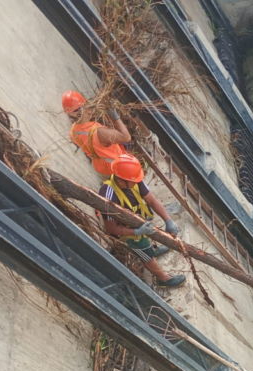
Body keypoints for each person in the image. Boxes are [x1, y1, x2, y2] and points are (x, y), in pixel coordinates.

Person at [98, 154, 187, 288]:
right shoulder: (108, 195)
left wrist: (168, 220)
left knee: (146, 240)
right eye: (134, 181)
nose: (138, 182)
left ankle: (151, 250)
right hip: (126, 235)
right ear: (121, 181)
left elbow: (152, 201)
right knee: (145, 254)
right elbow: (111, 228)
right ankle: (163, 279)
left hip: (138, 223)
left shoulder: (133, 181)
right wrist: (136, 232)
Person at [62, 90, 131, 177]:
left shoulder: (73, 132)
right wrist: (115, 116)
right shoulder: (99, 132)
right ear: (85, 107)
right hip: (119, 167)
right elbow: (126, 137)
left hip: (102, 167)